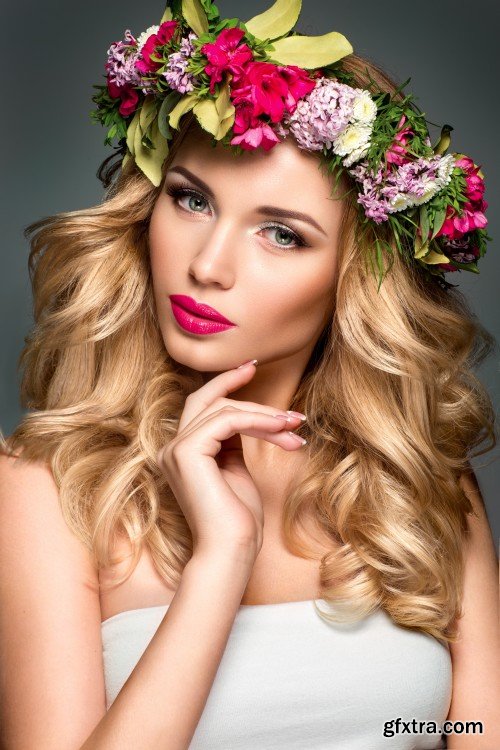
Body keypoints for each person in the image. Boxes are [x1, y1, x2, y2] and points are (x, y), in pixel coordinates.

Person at [0, 1, 498, 748]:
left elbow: (476, 726)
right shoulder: (44, 486)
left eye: (281, 234)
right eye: (191, 199)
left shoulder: (419, 478)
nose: (207, 265)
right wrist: (219, 562)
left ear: (355, 277)